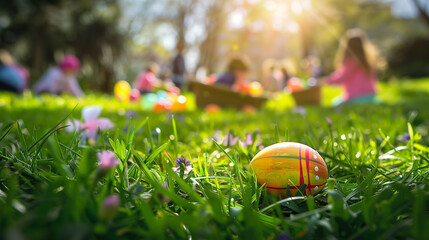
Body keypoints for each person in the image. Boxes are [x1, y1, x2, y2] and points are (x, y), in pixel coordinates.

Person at [324, 28, 378, 105]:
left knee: (335, 103)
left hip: (355, 98)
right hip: (370, 96)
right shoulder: (368, 61)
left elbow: (341, 77)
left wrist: (326, 81)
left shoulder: (351, 62)